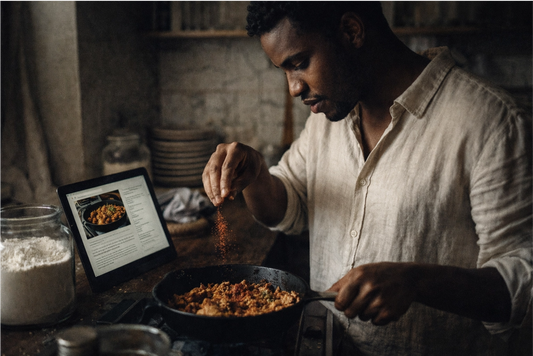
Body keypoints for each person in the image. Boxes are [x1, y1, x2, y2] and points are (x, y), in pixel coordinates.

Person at [202, 0, 533, 354]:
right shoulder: (328, 118)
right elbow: (286, 207)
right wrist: (255, 174)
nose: (294, 89)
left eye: (299, 64)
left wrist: (416, 281)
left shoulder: (491, 122)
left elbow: (522, 285)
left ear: (351, 31)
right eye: (284, 71)